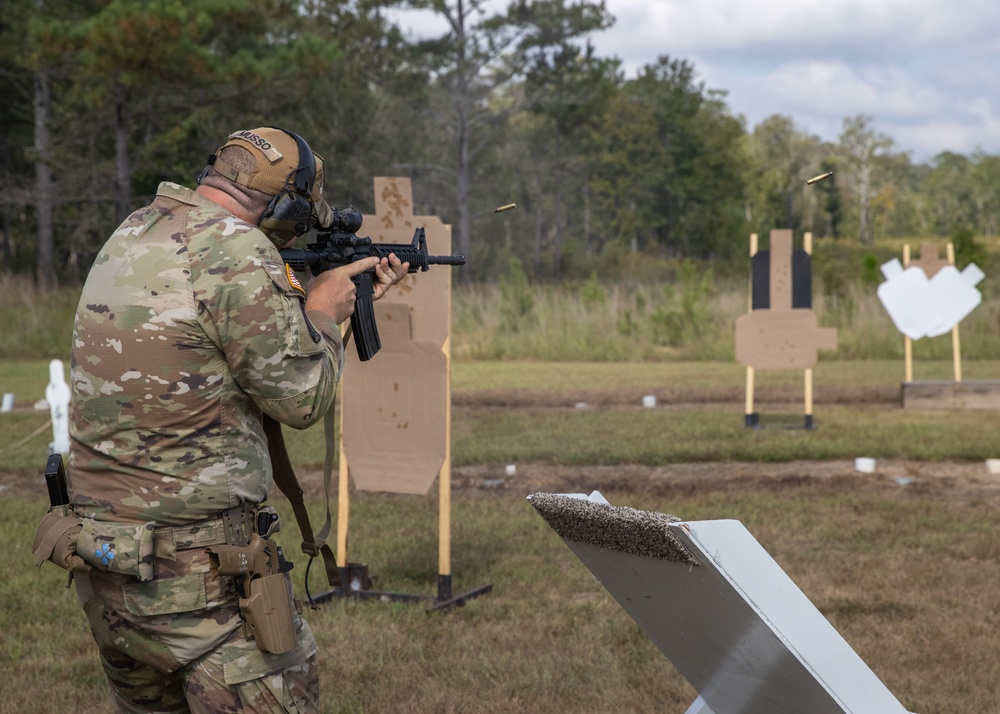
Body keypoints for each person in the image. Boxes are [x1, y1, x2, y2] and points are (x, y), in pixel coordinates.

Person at [47, 127, 406, 712]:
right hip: (199, 583)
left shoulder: (135, 229)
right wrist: (322, 311)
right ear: (287, 204)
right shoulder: (238, 254)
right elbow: (302, 398)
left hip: (107, 565)